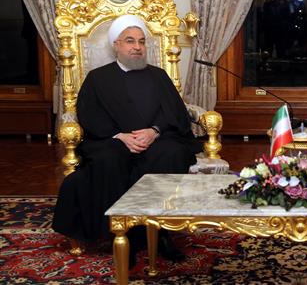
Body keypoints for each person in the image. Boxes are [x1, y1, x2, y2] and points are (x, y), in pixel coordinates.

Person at [52, 14, 201, 267]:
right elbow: (89, 115)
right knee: (109, 160)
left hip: (157, 139)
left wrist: (153, 131)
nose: (137, 47)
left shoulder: (159, 75)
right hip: (113, 140)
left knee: (172, 153)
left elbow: (175, 113)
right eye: (130, 41)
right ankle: (122, 236)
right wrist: (121, 137)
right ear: (116, 45)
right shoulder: (98, 78)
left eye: (142, 42)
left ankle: (162, 232)